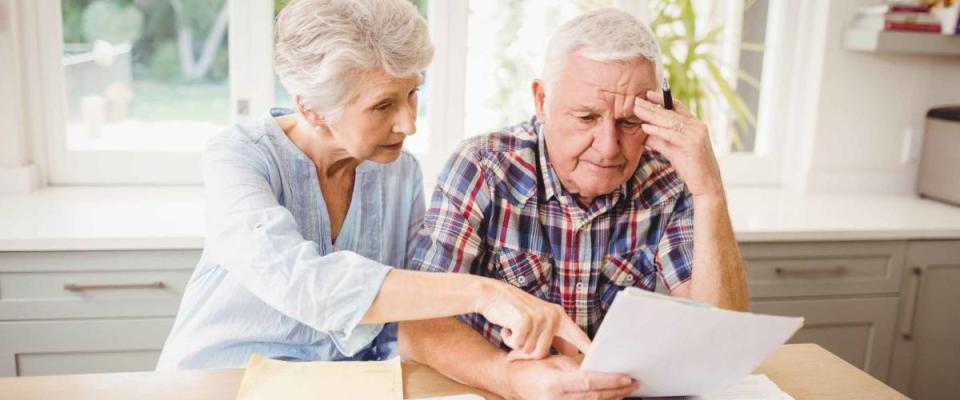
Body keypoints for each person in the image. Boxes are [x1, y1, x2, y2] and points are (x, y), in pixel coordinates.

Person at [156, 0, 588, 371]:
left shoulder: (399, 171)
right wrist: (486, 294)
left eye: (412, 93)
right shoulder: (239, 156)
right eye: (383, 105)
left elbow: (402, 313)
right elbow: (305, 285)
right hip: (219, 379)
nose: (409, 123)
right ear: (312, 108)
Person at [399, 8, 749, 400]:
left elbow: (720, 337)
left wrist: (710, 193)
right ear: (542, 100)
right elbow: (417, 326)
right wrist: (511, 379)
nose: (608, 147)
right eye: (586, 117)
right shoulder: (483, 166)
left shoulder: (667, 179)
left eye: (629, 122)